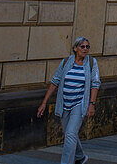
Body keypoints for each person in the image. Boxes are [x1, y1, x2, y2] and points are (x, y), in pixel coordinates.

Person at [37, 36, 101, 164]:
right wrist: (44, 103)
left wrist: (91, 104)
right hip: (64, 103)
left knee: (71, 134)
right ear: (75, 48)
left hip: (79, 104)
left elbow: (95, 84)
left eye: (87, 46)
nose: (85, 49)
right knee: (70, 135)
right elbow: (55, 81)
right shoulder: (66, 62)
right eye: (82, 46)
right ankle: (80, 157)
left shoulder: (91, 63)